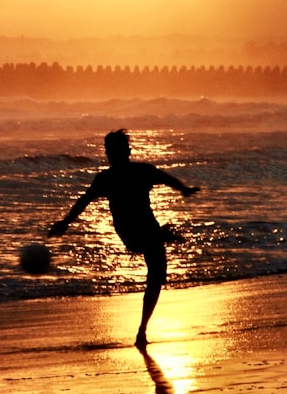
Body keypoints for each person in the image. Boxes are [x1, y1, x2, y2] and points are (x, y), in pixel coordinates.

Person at [48, 129, 199, 348]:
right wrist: (65, 222)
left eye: (114, 150)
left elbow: (166, 179)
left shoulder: (137, 172)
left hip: (144, 230)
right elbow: (84, 201)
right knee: (155, 248)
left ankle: (142, 331)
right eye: (109, 151)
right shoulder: (108, 178)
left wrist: (183, 189)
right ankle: (165, 235)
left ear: (126, 151)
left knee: (156, 279)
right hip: (132, 233)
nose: (112, 155)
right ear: (109, 153)